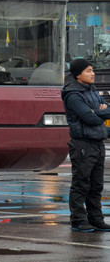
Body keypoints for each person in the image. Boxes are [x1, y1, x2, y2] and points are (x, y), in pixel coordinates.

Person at [62, 58, 110, 232]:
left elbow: (107, 110)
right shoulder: (73, 95)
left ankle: (96, 219)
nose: (93, 74)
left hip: (98, 142)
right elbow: (89, 118)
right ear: (78, 74)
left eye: (92, 70)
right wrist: (100, 113)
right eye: (88, 71)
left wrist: (98, 112)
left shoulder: (92, 90)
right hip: (82, 144)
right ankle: (78, 220)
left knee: (96, 185)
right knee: (81, 184)